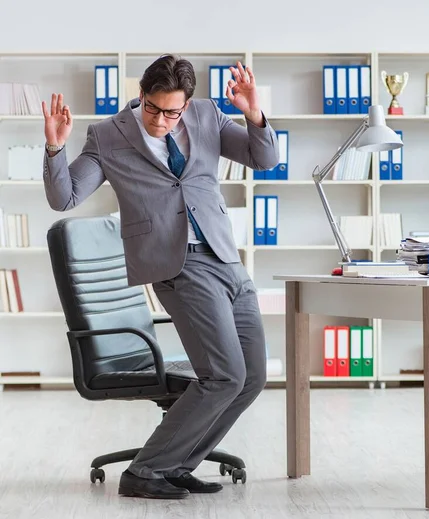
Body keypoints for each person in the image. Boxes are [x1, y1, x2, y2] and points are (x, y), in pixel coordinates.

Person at [42, 54, 279, 499]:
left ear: (187, 105)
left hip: (227, 258)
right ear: (141, 96)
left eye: (172, 111)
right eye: (153, 108)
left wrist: (253, 114)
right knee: (224, 374)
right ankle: (145, 472)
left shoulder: (208, 115)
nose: (161, 119)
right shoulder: (108, 136)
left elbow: (263, 159)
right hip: (179, 265)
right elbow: (65, 197)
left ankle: (173, 466)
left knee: (251, 377)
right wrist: (55, 147)